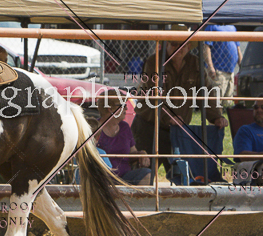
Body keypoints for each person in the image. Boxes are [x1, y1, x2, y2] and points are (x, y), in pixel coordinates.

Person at [132, 34, 228, 173]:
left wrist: (216, 117)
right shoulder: (154, 62)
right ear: (166, 45)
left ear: (188, 47)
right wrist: (168, 116)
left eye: (182, 45)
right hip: (149, 127)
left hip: (178, 130)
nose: (178, 48)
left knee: (183, 174)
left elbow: (205, 92)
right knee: (144, 173)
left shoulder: (195, 64)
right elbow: (153, 95)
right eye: (174, 44)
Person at [95, 92, 152, 186]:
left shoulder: (124, 127)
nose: (126, 108)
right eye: (122, 105)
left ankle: (135, 196)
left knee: (146, 174)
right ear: (110, 109)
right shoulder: (95, 128)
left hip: (124, 177)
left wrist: (142, 154)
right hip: (102, 178)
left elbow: (132, 153)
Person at [202, 24, 242, 108]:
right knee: (216, 103)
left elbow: (238, 48)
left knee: (228, 103)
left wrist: (242, 65)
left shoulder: (232, 28)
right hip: (218, 72)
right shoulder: (211, 27)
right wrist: (210, 67)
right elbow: (206, 47)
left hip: (231, 72)